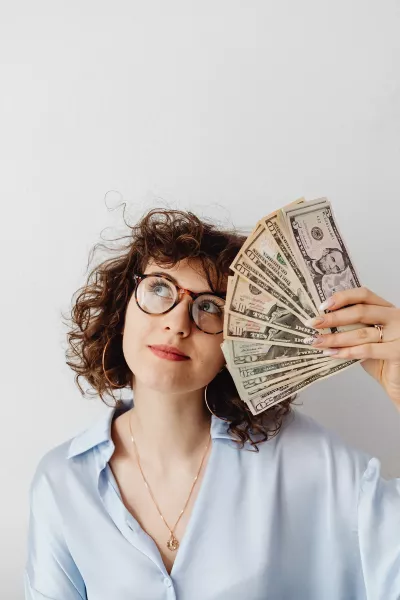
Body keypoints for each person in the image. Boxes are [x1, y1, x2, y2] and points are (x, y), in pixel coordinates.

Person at [24, 208, 400, 599]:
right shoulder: (62, 480)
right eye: (158, 288)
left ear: (236, 344)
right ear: (122, 310)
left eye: (209, 307)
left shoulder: (307, 458)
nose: (178, 323)